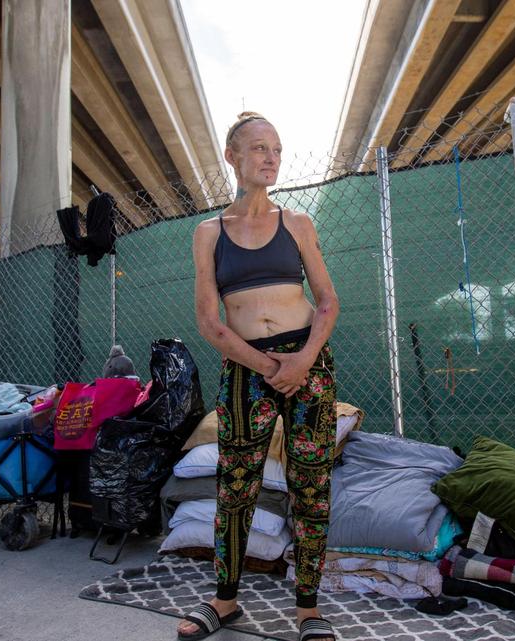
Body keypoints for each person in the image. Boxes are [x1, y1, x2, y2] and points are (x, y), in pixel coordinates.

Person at [179, 112, 340, 641]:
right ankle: (225, 601)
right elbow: (209, 321)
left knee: (311, 485)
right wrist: (271, 367)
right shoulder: (208, 233)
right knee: (236, 487)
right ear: (233, 157)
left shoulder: (297, 223)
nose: (270, 157)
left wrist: (302, 361)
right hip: (248, 370)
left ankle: (308, 610)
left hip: (307, 367)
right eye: (258, 148)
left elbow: (327, 301)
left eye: (276, 148)